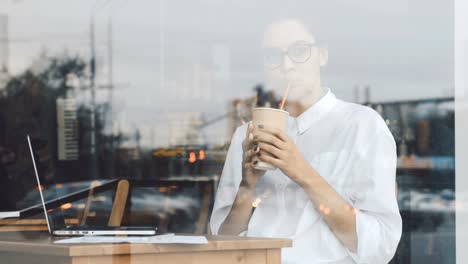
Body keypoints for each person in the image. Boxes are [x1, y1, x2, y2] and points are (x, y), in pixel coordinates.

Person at [209, 19, 402, 264]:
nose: (287, 65)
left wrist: (300, 170)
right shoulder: (246, 135)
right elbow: (221, 246)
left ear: (322, 54)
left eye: (299, 51)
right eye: (273, 56)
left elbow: (379, 247)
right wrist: (247, 187)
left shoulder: (362, 126)